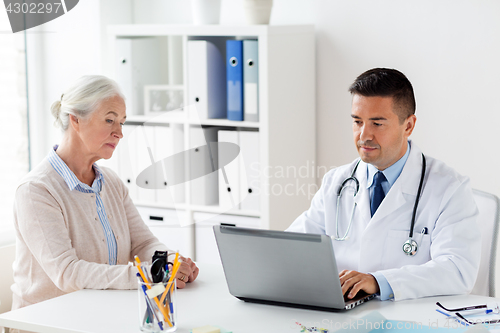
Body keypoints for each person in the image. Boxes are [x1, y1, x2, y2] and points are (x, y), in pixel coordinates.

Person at [287, 68, 481, 301]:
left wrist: (380, 281)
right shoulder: (337, 182)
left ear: (408, 126)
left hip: (412, 320)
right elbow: (293, 248)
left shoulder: (449, 188)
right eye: (357, 122)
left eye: (377, 124)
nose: (363, 135)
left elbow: (458, 270)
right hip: (342, 317)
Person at [11, 75, 198, 310]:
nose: (119, 132)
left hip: (102, 313)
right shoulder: (36, 191)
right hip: (47, 322)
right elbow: (67, 273)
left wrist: (170, 260)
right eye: (110, 120)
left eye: (122, 122)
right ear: (76, 120)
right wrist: (150, 274)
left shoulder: (111, 182)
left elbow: (143, 244)